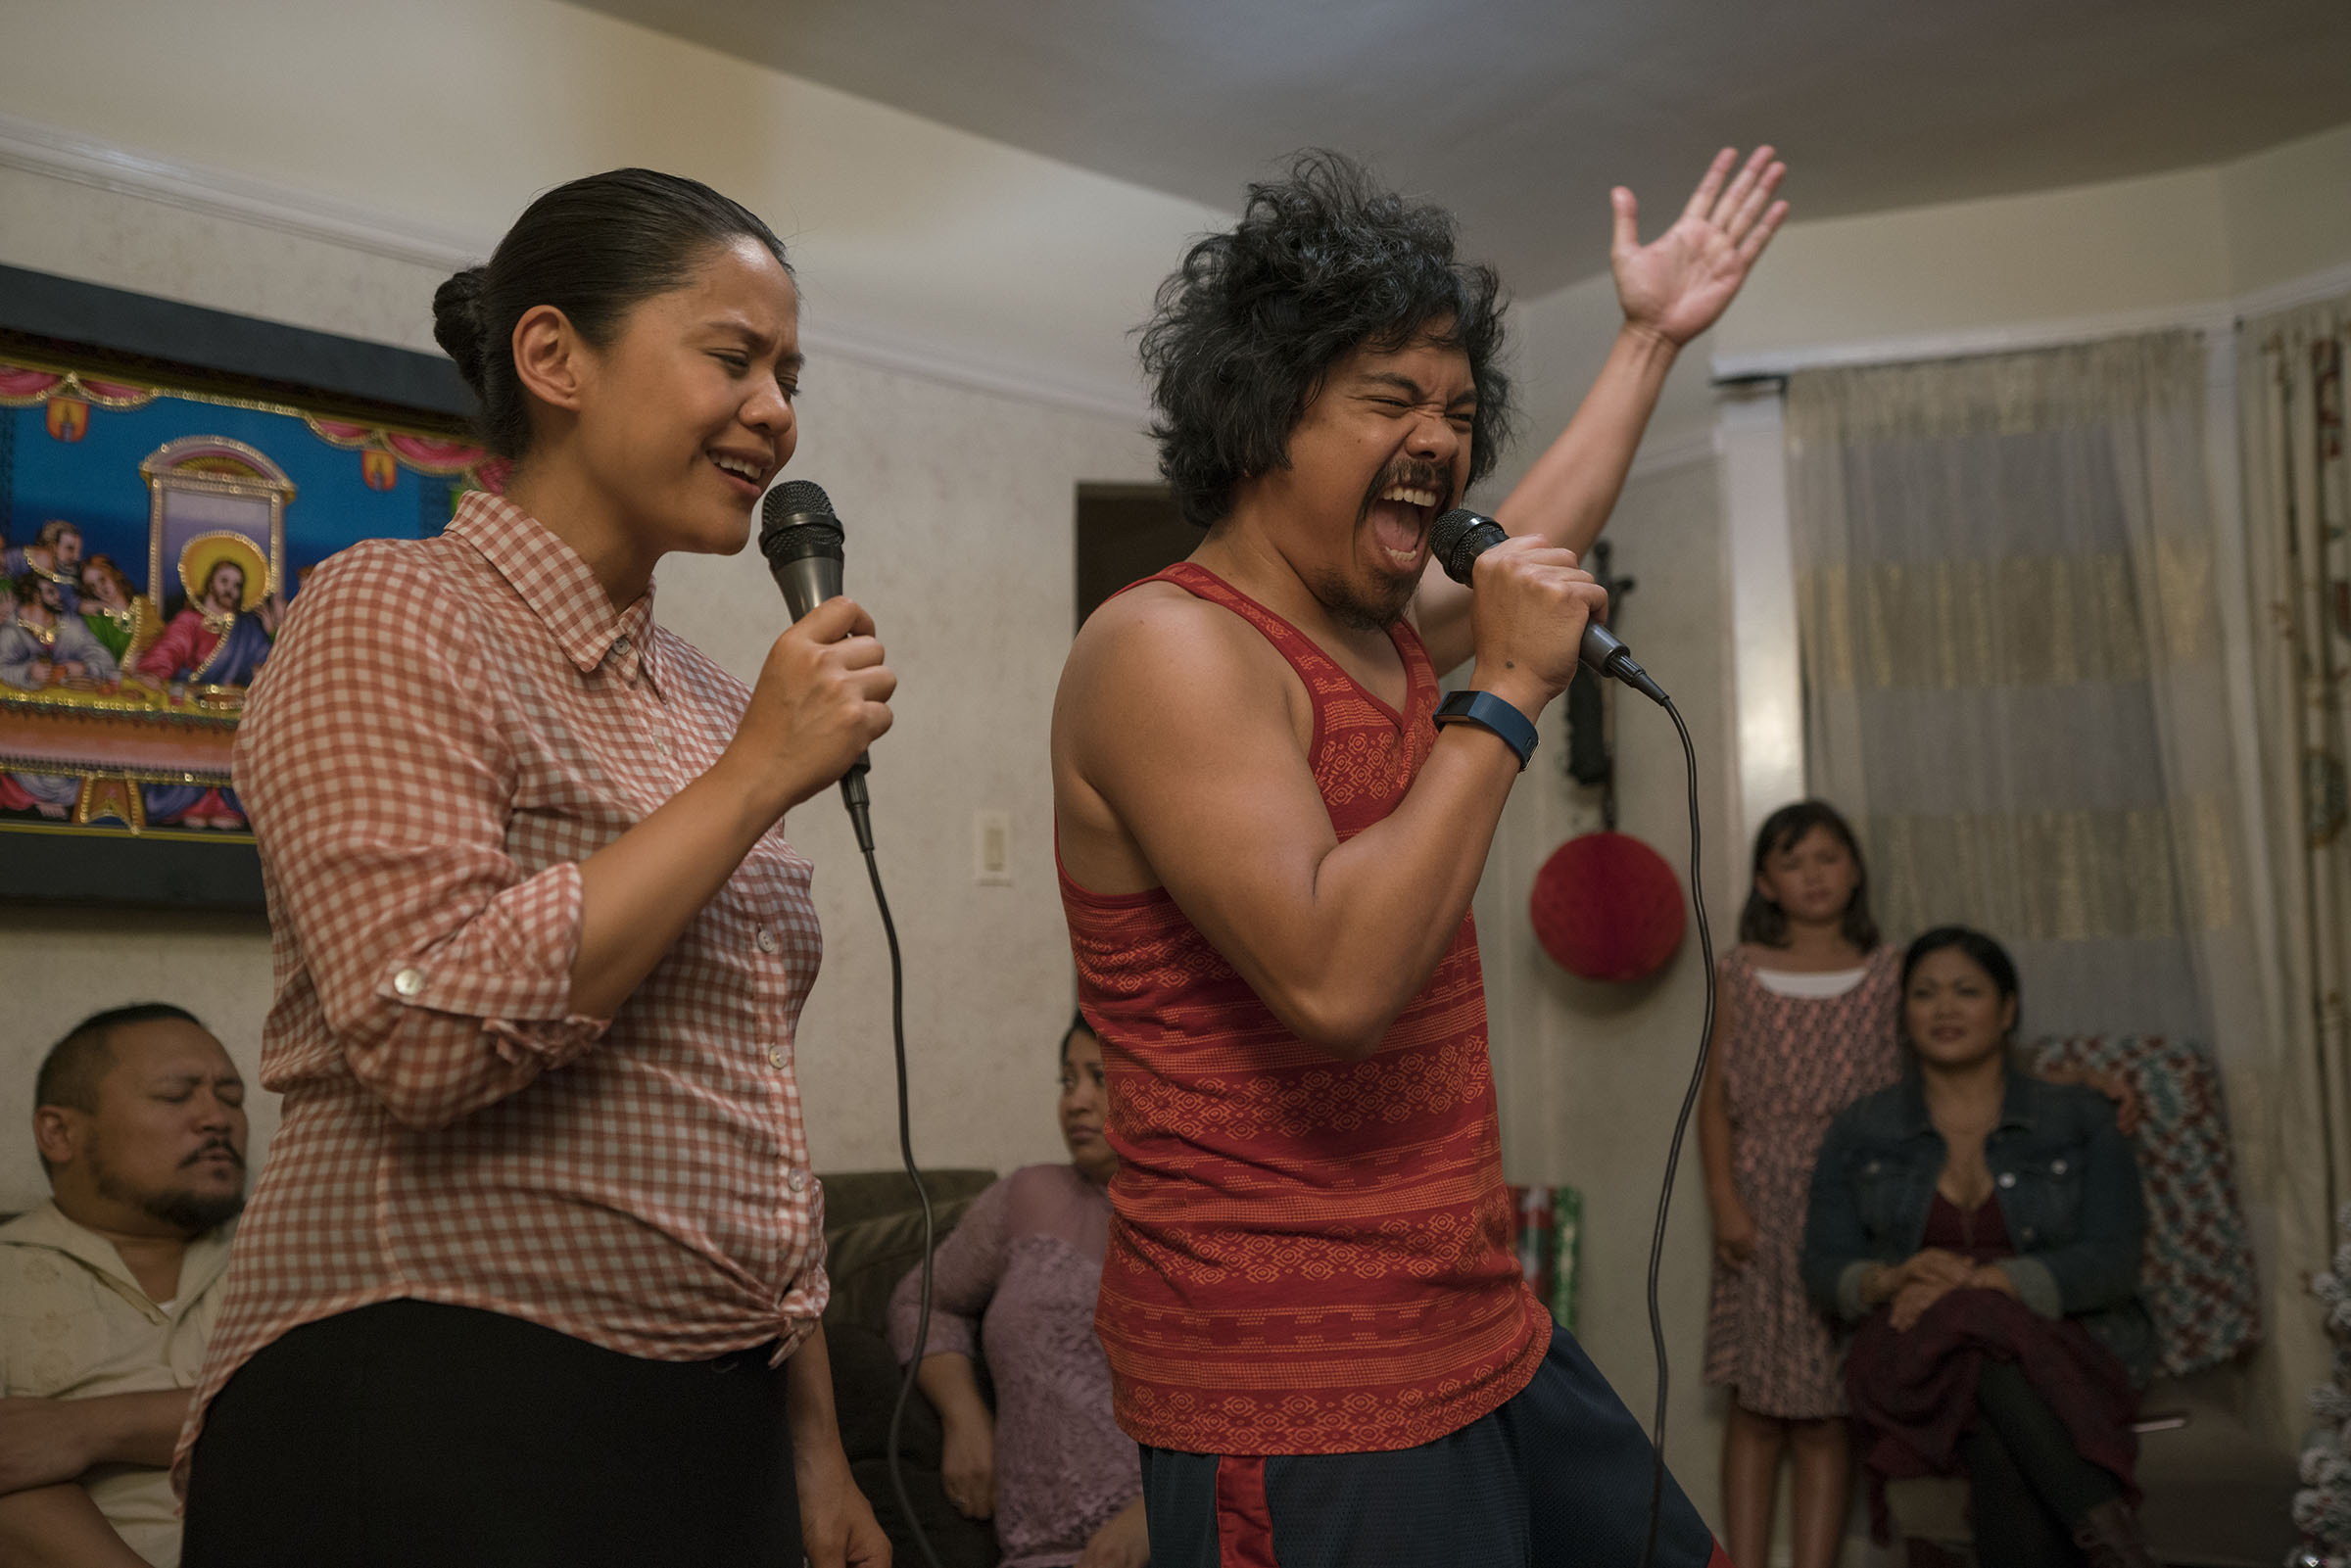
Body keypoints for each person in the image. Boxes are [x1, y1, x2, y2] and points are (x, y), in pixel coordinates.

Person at [1052, 147, 1786, 1566]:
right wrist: (1501, 699)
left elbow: (1532, 541)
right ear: (1263, 418)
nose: (1440, 439)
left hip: (1473, 1318)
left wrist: (1648, 340)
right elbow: (1335, 981)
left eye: (1456, 408)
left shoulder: (1377, 630)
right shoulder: (1167, 647)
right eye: (1389, 399)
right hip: (1300, 1387)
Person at [174, 168, 895, 1568]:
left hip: (712, 1412)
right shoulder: (390, 607)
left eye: (790, 373)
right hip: (436, 1394)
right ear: (554, 355)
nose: (777, 411)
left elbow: (744, 1085)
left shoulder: (701, 693)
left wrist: (810, 1438)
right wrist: (755, 777)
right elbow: (420, 1026)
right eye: (733, 358)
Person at [1803, 927, 2155, 1568]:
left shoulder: (2080, 1116)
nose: (1944, 1008)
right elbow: (1824, 1266)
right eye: (1925, 993)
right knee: (1973, 1330)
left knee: (1988, 1384)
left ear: (2009, 1008)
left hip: (2064, 1346)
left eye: (1967, 990)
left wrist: (1990, 1283)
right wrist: (1892, 1279)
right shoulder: (1861, 1127)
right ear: (1903, 1014)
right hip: (1911, 1354)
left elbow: (2114, 1259)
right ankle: (2121, 1549)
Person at [1698, 800, 1896, 1568]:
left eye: (1827, 857)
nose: (1813, 875)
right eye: (1793, 861)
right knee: (1755, 1405)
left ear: (1853, 870)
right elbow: (1715, 1101)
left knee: (1826, 1412)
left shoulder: (1891, 971)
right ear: (1766, 883)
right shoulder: (1741, 970)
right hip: (1760, 1197)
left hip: (1855, 1207)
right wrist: (1723, 1199)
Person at [888, 1015, 1144, 1568]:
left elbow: (1261, 1389)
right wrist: (965, 1418)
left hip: (1168, 1543)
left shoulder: (1205, 1217)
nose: (1075, 1101)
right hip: (1032, 1551)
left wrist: (1157, 1516)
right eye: (1066, 1080)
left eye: (1099, 1078)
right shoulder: (1029, 1194)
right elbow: (922, 1302)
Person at [0, 1004, 249, 1568]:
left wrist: (85, 1428)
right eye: (175, 1095)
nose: (217, 1118)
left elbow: (343, 1423)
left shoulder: (295, 1257)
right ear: (59, 1133)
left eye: (231, 1097)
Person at [135, 555, 279, 689]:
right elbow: (171, 649)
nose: (230, 589)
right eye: (224, 581)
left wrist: (272, 633)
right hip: (189, 699)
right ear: (210, 583)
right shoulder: (190, 620)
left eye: (237, 585)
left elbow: (267, 661)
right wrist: (155, 673)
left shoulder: (248, 628)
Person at [1, 569, 120, 689]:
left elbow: (105, 659)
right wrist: (28, 672)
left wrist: (85, 668)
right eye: (51, 592)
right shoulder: (12, 631)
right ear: (36, 596)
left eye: (56, 591)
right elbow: (2, 669)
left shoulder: (71, 626)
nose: (58, 596)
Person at [5, 519, 84, 614]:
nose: (77, 557)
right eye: (70, 549)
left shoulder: (65, 578)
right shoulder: (15, 558)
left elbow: (74, 604)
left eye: (78, 551)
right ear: (52, 546)